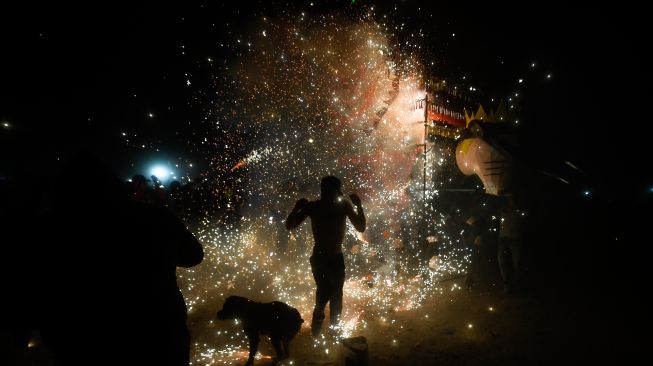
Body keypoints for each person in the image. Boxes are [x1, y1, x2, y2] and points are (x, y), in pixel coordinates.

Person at [35, 153, 204, 366]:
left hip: (80, 342)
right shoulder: (154, 217)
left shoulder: (48, 228)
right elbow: (194, 256)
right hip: (157, 331)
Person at [285, 176, 366, 336]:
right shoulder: (316, 206)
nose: (325, 192)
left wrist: (359, 206)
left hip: (334, 257)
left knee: (335, 293)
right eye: (323, 188)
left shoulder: (341, 205)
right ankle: (319, 328)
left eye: (327, 189)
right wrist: (296, 209)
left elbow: (361, 227)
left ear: (336, 190)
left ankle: (331, 329)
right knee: (327, 291)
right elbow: (290, 226)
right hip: (321, 258)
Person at [498, 195, 523, 294]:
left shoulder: (518, 212)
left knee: (517, 262)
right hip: (503, 239)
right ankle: (506, 284)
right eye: (508, 200)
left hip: (514, 239)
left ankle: (517, 284)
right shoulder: (502, 211)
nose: (510, 201)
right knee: (502, 261)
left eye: (511, 199)